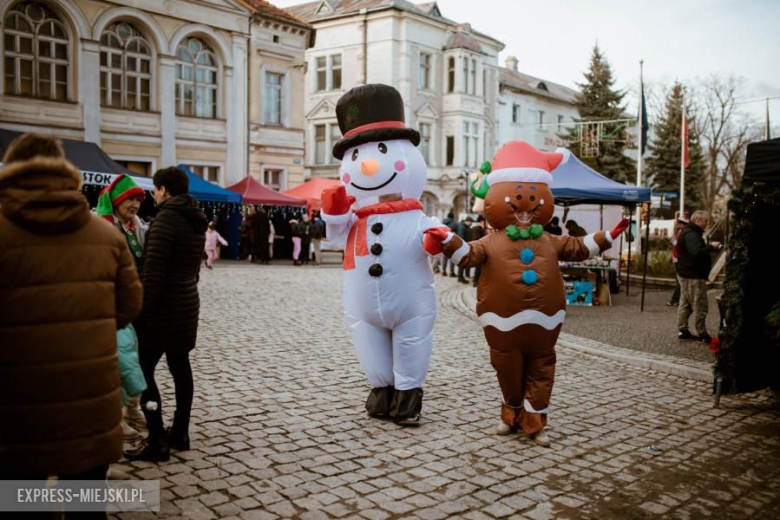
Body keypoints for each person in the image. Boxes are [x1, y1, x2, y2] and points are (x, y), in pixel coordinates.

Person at [0, 133, 142, 487]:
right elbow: (129, 306)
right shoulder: (106, 236)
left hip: (17, 405)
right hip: (89, 397)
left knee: (22, 501)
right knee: (86, 501)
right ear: (68, 172)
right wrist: (88, 326)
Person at [126, 166, 208, 462]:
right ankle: (180, 433)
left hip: (162, 311)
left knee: (145, 371)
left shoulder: (164, 221)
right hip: (187, 304)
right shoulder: (195, 220)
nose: (153, 195)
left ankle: (157, 439)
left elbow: (153, 275)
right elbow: (194, 269)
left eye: (155, 189)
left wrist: (140, 314)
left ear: (163, 189)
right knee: (180, 366)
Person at [96, 173, 150, 440]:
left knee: (130, 357)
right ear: (117, 201)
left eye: (139, 201)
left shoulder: (137, 227)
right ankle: (116, 417)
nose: (135, 206)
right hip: (109, 304)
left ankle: (131, 408)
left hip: (133, 304)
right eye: (131, 200)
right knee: (115, 362)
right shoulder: (102, 225)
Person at [677, 210, 721, 343]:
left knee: (685, 304)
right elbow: (696, 254)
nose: (707, 224)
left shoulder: (689, 232)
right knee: (700, 305)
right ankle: (702, 333)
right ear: (697, 220)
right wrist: (711, 247)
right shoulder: (691, 234)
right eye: (705, 221)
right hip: (693, 276)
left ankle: (683, 330)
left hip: (687, 274)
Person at [666, 214, 688, 306]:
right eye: (679, 222)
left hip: (680, 258)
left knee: (680, 281)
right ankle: (678, 300)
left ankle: (676, 299)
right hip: (676, 258)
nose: (679, 224)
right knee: (679, 280)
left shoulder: (684, 233)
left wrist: (673, 242)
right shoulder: (680, 232)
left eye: (680, 223)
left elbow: (679, 245)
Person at [456, 216, 474, 283]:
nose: (471, 223)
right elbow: (461, 238)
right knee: (462, 262)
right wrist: (464, 247)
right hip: (463, 248)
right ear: (467, 221)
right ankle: (460, 277)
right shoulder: (462, 227)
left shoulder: (466, 227)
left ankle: (464, 275)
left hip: (466, 247)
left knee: (465, 262)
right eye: (470, 222)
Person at [470, 215, 487, 286]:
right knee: (478, 267)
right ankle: (475, 281)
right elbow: (479, 239)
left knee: (478, 267)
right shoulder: (478, 229)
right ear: (481, 222)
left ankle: (476, 280)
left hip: (476, 248)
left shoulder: (474, 228)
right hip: (478, 249)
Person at [441, 212, 457, 276]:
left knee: (444, 257)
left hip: (444, 241)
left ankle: (443, 271)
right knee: (452, 257)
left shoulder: (442, 223)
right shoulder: (455, 224)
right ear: (453, 217)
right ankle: (451, 272)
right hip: (451, 241)